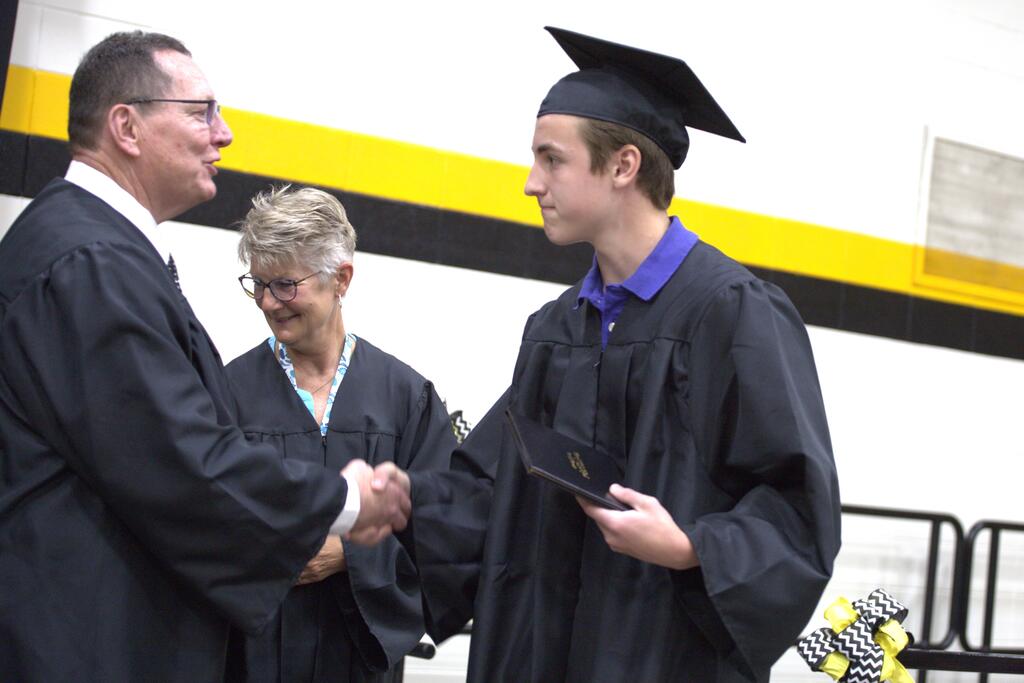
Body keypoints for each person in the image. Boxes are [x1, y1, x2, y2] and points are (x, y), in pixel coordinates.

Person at [417, 27, 842, 682]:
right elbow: (495, 491)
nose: (531, 183)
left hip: (664, 656)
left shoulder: (732, 313)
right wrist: (402, 506)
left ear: (623, 166)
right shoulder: (556, 327)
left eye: (551, 160)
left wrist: (691, 546)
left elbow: (795, 506)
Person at [0, 32, 409, 681]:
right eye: (201, 112)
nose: (224, 134)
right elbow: (176, 458)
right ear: (127, 127)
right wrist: (342, 499)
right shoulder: (89, 262)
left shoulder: (90, 248)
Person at [224, 185, 460, 682]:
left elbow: (442, 526)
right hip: (255, 659)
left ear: (341, 279)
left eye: (285, 285)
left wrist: (348, 555)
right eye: (258, 284)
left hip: (361, 661)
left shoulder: (405, 398)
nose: (268, 302)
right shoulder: (228, 392)